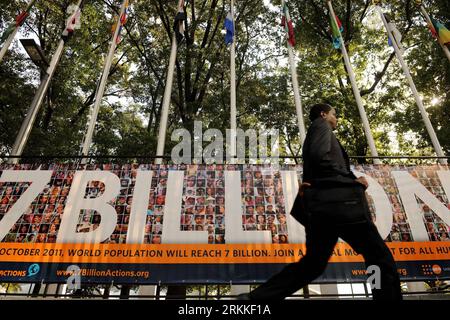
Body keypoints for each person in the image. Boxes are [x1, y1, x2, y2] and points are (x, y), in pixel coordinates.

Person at [239, 103, 402, 301]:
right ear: (324, 114)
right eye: (334, 113)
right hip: (341, 207)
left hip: (321, 209)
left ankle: (257, 299)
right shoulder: (321, 125)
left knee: (313, 265)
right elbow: (319, 157)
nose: (336, 118)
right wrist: (351, 180)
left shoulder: (315, 132)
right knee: (379, 258)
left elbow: (315, 163)